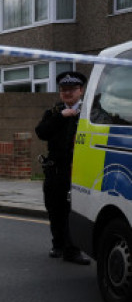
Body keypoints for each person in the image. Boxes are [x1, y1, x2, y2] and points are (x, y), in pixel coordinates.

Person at [35, 70, 91, 265]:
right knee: (54, 209)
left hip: (77, 171)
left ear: (81, 90)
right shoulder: (53, 113)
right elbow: (41, 132)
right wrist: (61, 116)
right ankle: (58, 244)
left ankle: (73, 250)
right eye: (63, 89)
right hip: (54, 170)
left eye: (72, 89)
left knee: (72, 211)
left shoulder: (89, 112)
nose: (67, 93)